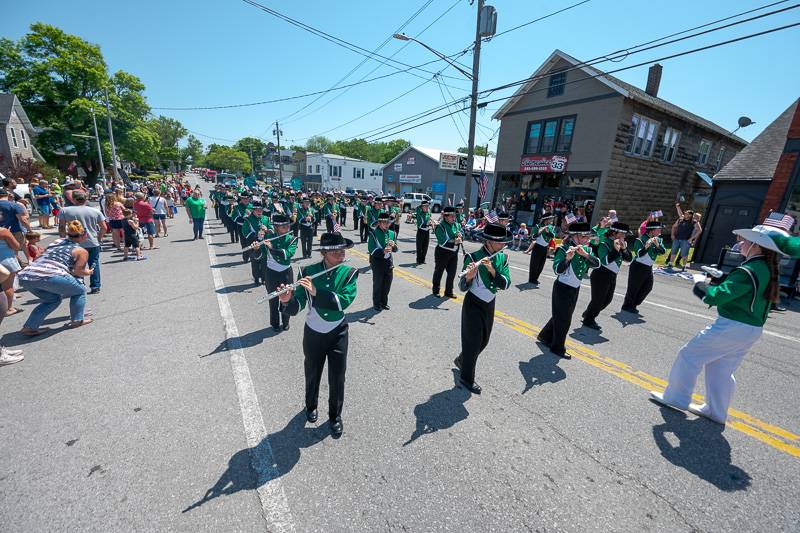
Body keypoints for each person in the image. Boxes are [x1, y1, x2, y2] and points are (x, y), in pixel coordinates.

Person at [651, 220, 800, 424]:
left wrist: (700, 284)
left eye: (745, 240)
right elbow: (745, 288)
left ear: (757, 245)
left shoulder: (750, 269)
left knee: (688, 355)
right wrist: (722, 277)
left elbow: (715, 297)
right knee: (721, 369)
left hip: (732, 326)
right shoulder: (765, 266)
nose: (740, 243)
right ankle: (716, 410)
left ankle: (676, 397)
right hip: (750, 329)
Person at [277, 232, 358, 438]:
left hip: (338, 332)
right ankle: (310, 405)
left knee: (338, 377)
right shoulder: (307, 272)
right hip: (313, 332)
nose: (341, 253)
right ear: (324, 253)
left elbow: (343, 302)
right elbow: (298, 306)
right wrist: (286, 300)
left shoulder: (349, 273)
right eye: (335, 250)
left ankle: (335, 416)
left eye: (342, 250)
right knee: (312, 372)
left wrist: (316, 292)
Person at [454, 223, 512, 394]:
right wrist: (469, 277)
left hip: (490, 303)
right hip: (473, 303)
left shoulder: (503, 258)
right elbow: (462, 287)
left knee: (483, 341)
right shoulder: (473, 257)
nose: (503, 245)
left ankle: (463, 360)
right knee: (472, 342)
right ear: (488, 242)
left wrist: (493, 271)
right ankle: (466, 378)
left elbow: (506, 283)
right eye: (499, 242)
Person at [17, 220, 94, 335]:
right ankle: (77, 320)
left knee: (52, 300)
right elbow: (78, 271)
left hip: (26, 275)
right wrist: (88, 272)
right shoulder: (81, 251)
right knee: (80, 291)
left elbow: (41, 255)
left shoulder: (57, 242)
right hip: (50, 275)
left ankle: (30, 327)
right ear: (84, 236)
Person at [537, 222, 599, 358]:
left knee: (561, 315)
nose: (586, 240)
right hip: (562, 288)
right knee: (564, 319)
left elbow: (597, 264)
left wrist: (585, 255)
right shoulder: (563, 249)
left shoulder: (586, 250)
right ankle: (557, 347)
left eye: (587, 237)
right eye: (583, 237)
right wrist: (567, 259)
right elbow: (557, 270)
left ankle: (545, 336)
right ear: (574, 237)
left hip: (575, 288)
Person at [581, 222, 632, 330]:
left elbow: (628, 259)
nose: (625, 236)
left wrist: (623, 249)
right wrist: (616, 249)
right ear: (615, 233)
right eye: (623, 234)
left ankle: (588, 313)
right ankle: (588, 320)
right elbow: (605, 261)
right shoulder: (604, 243)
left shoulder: (622, 243)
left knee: (607, 300)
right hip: (601, 274)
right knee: (598, 300)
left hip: (612, 275)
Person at [57, 191, 106, 294]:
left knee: (75, 265)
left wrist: (62, 239)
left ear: (73, 199)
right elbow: (104, 228)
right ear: (86, 199)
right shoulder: (95, 211)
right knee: (94, 264)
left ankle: (79, 284)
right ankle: (95, 286)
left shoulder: (65, 211)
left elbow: (61, 227)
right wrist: (99, 238)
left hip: (73, 242)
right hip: (92, 241)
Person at [255, 213, 298, 331]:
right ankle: (274, 323)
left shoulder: (292, 238)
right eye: (283, 226)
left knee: (287, 298)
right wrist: (257, 248)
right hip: (271, 273)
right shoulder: (269, 237)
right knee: (273, 299)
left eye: (288, 226)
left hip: (286, 273)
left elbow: (287, 254)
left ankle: (285, 321)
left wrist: (271, 248)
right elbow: (260, 256)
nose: (287, 228)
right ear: (276, 227)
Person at [622, 221, 666, 314]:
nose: (660, 232)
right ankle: (627, 306)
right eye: (658, 230)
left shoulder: (658, 240)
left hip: (648, 267)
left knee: (648, 287)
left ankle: (634, 304)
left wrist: (657, 244)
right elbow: (639, 254)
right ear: (652, 231)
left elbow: (663, 252)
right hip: (638, 266)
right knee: (634, 287)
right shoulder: (640, 240)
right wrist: (646, 246)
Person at [367, 212, 397, 311]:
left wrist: (394, 245)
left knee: (387, 284)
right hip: (377, 262)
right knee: (378, 284)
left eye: (388, 222)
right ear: (379, 223)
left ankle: (384, 302)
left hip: (388, 262)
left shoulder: (392, 233)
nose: (386, 224)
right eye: (384, 222)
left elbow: (396, 249)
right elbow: (371, 249)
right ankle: (376, 303)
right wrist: (382, 251)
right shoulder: (373, 233)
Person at [432, 206, 462, 298]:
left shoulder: (457, 225)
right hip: (442, 253)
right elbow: (442, 242)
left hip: (454, 253)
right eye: (451, 216)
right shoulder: (440, 226)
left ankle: (448, 291)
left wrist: (461, 236)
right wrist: (454, 241)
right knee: (439, 272)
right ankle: (436, 290)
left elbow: (462, 234)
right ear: (445, 216)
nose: (454, 218)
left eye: (454, 216)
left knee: (452, 273)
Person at [241, 200, 271, 283]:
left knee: (264, 262)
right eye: (257, 210)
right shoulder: (248, 219)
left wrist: (267, 230)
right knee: (255, 262)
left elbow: (271, 229)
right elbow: (245, 232)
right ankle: (256, 279)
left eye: (261, 210)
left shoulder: (265, 218)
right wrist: (256, 235)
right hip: (253, 244)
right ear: (253, 210)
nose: (259, 212)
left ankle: (264, 279)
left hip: (264, 244)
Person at [0, 189, 31, 266]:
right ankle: (15, 268)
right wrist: (29, 230)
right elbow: (23, 220)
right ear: (7, 195)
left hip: (1, 232)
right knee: (14, 251)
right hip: (14, 231)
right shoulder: (14, 205)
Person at [525, 213, 556, 286]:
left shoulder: (550, 227)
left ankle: (536, 278)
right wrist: (539, 232)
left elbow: (553, 236)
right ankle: (531, 279)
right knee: (534, 264)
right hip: (537, 247)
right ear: (546, 219)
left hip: (545, 248)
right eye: (550, 219)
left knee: (541, 264)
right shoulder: (537, 226)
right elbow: (532, 237)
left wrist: (548, 232)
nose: (551, 220)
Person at [0, 226, 22, 318]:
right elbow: (16, 246)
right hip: (5, 259)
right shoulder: (3, 231)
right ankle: (8, 308)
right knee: (8, 287)